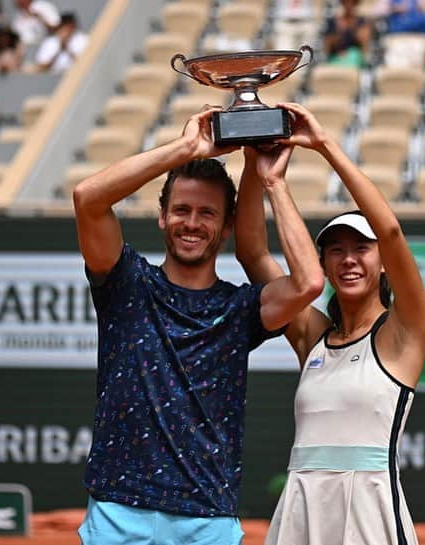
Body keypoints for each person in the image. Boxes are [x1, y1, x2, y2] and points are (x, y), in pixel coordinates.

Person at [72, 106, 324, 545]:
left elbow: (308, 283)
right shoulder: (127, 282)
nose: (191, 223)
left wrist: (272, 182)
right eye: (181, 210)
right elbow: (87, 197)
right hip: (119, 511)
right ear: (162, 216)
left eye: (206, 214)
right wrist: (183, 149)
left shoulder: (240, 308)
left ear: (227, 226)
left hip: (207, 520)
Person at [235, 103, 425, 545]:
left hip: (369, 514)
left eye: (361, 248)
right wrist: (262, 174)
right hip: (301, 511)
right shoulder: (313, 337)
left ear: (382, 262)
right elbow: (251, 253)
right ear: (323, 262)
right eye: (336, 250)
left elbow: (392, 233)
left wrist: (325, 146)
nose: (348, 259)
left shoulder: (407, 330)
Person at [323, 0, 373, 67]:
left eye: (352, 2)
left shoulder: (362, 22)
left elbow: (364, 45)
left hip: (355, 57)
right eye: (345, 2)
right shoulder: (333, 21)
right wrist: (339, 32)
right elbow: (327, 47)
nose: (348, 4)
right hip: (336, 57)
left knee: (354, 55)